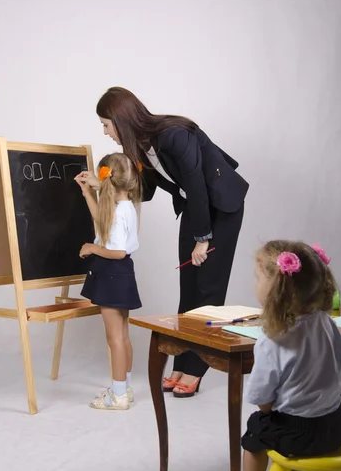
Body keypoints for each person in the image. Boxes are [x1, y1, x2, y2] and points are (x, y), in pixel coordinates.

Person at [96, 87, 249, 397]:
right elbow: (146, 191)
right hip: (196, 205)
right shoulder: (140, 149)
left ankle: (197, 368)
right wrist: (102, 184)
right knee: (188, 286)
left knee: (207, 289)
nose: (105, 131)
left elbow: (196, 183)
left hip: (220, 205)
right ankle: (182, 360)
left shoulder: (174, 134)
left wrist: (203, 240)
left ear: (119, 119)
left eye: (106, 124)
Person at [240, 240, 341, 471]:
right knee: (310, 417)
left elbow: (261, 397)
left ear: (274, 290)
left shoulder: (271, 338)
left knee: (255, 435)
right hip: (334, 426)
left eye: (258, 278)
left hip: (297, 433)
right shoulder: (326, 322)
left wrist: (271, 408)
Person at [75, 153, 142, 411]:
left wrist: (92, 247)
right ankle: (124, 388)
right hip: (123, 273)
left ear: (107, 178)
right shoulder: (126, 206)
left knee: (114, 338)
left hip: (112, 272)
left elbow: (117, 251)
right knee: (123, 336)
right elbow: (103, 220)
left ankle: (118, 396)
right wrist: (88, 195)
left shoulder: (118, 212)